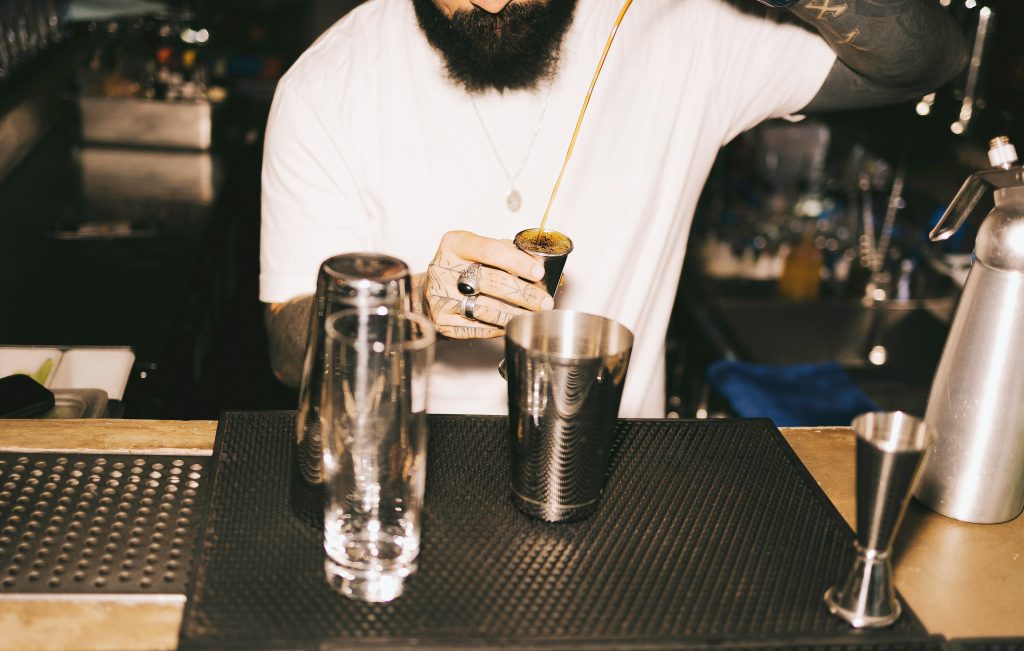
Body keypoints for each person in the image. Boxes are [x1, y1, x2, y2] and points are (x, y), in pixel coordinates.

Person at [260, 0, 966, 417]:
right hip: (406, 485)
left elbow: (930, 62)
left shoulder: (688, 27)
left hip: (623, 491)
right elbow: (290, 354)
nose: (495, 4)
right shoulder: (327, 85)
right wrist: (412, 300)